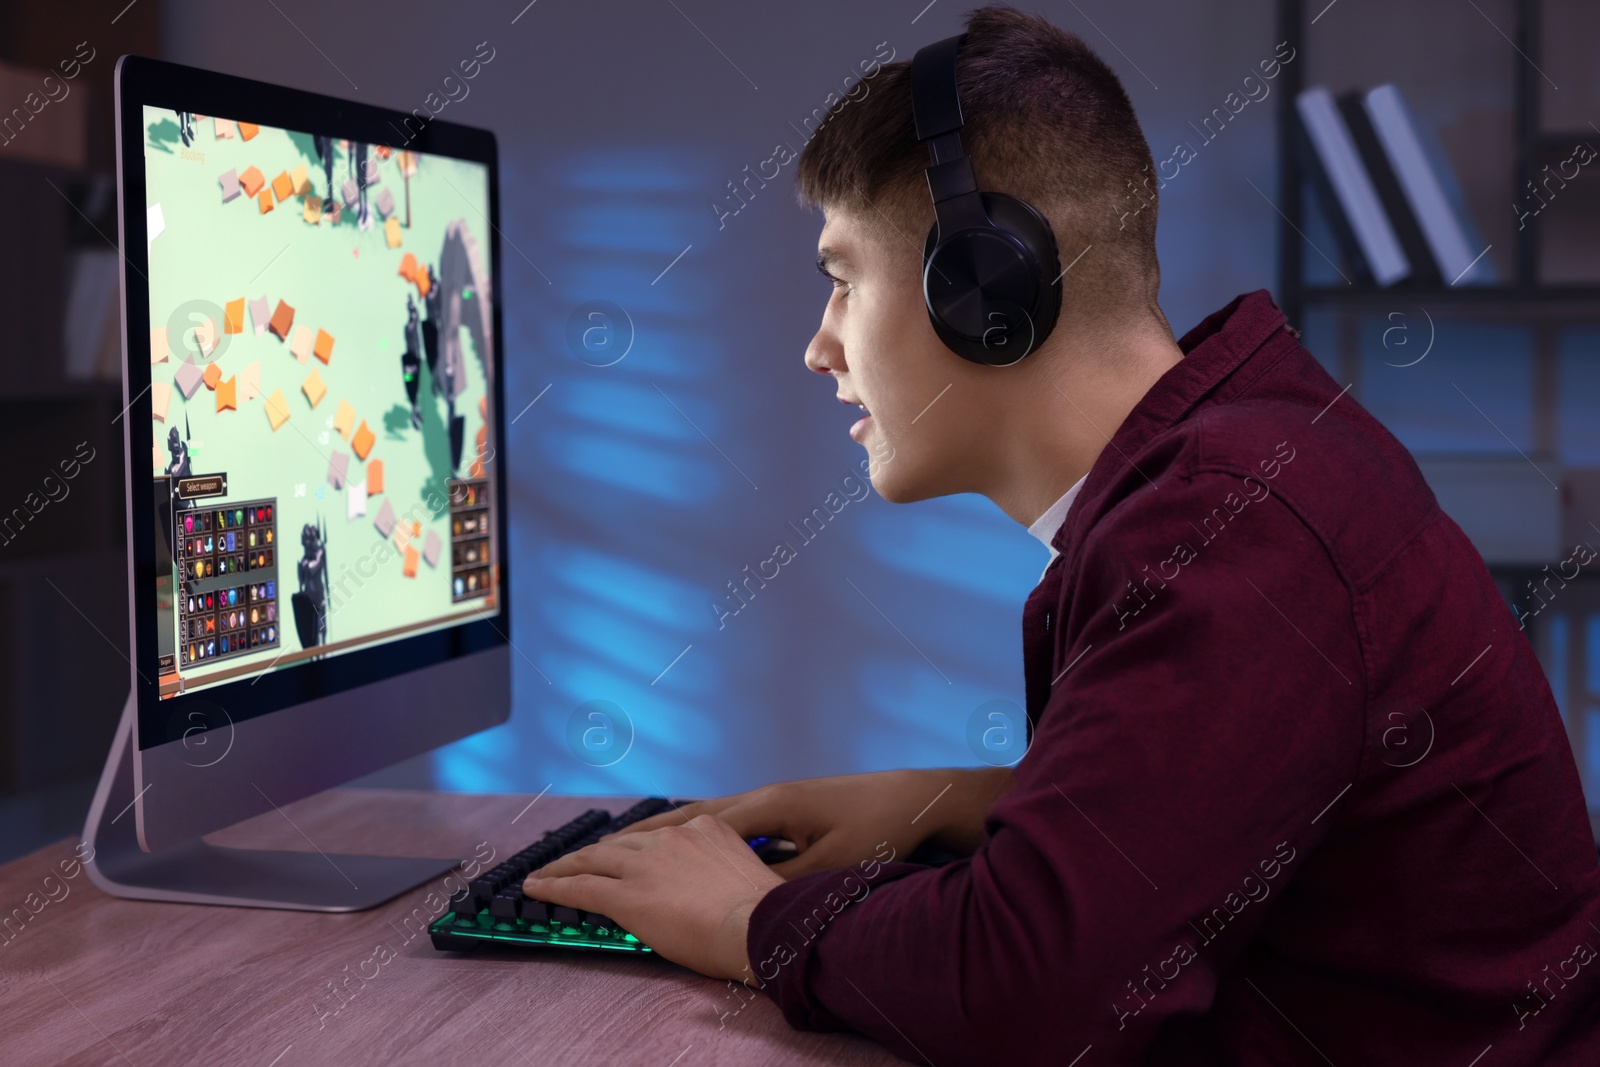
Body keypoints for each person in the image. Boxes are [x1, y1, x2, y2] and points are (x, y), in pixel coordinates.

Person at [522, 7, 1600, 1063]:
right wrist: (953, 802)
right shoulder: (1247, 458)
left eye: (844, 280)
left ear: (983, 287)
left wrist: (747, 919)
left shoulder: (1232, 529)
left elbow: (1030, 995)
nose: (819, 348)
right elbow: (1236, 811)